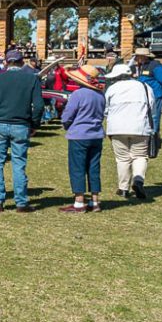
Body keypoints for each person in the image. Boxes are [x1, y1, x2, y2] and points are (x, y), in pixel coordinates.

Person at [0, 49, 44, 212]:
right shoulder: (32, 79)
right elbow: (38, 106)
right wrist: (35, 125)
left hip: (0, 123)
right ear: (22, 62)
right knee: (18, 164)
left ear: (6, 62)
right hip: (21, 125)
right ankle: (21, 203)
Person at [104, 63, 155, 199]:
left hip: (117, 127)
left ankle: (123, 188)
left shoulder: (112, 88)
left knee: (122, 158)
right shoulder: (144, 87)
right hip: (140, 126)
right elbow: (151, 106)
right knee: (140, 156)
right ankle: (138, 180)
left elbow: (106, 108)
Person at [58, 66, 105, 213]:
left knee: (77, 168)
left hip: (79, 135)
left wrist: (66, 125)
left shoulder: (78, 94)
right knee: (93, 167)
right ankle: (94, 201)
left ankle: (79, 202)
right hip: (96, 134)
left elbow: (67, 115)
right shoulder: (100, 95)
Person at [133, 48, 162, 134]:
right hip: (144, 95)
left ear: (144, 57)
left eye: (137, 56)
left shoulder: (155, 66)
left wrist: (160, 92)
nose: (136, 58)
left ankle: (154, 136)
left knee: (154, 117)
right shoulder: (142, 65)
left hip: (155, 95)